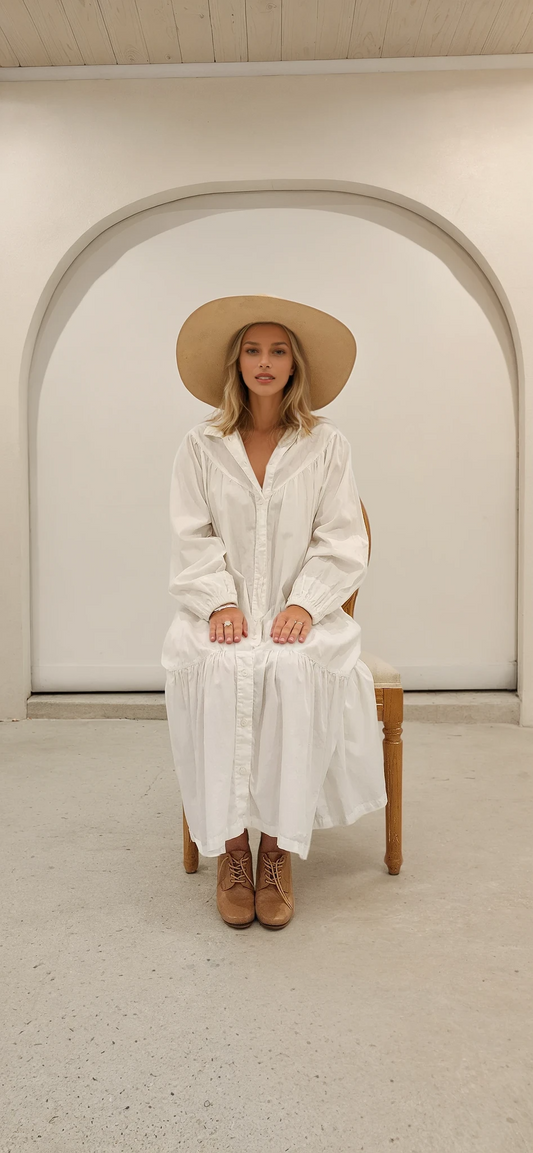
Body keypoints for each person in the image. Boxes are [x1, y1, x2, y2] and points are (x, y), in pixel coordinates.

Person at [161, 294, 387, 931]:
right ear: (236, 363)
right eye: (253, 351)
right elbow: (191, 534)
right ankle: (233, 850)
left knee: (290, 671)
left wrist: (305, 604)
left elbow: (342, 538)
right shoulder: (201, 445)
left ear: (295, 365)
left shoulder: (327, 445)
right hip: (223, 612)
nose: (265, 362)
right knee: (215, 666)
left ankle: (278, 852)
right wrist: (219, 602)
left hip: (298, 613)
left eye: (278, 351)